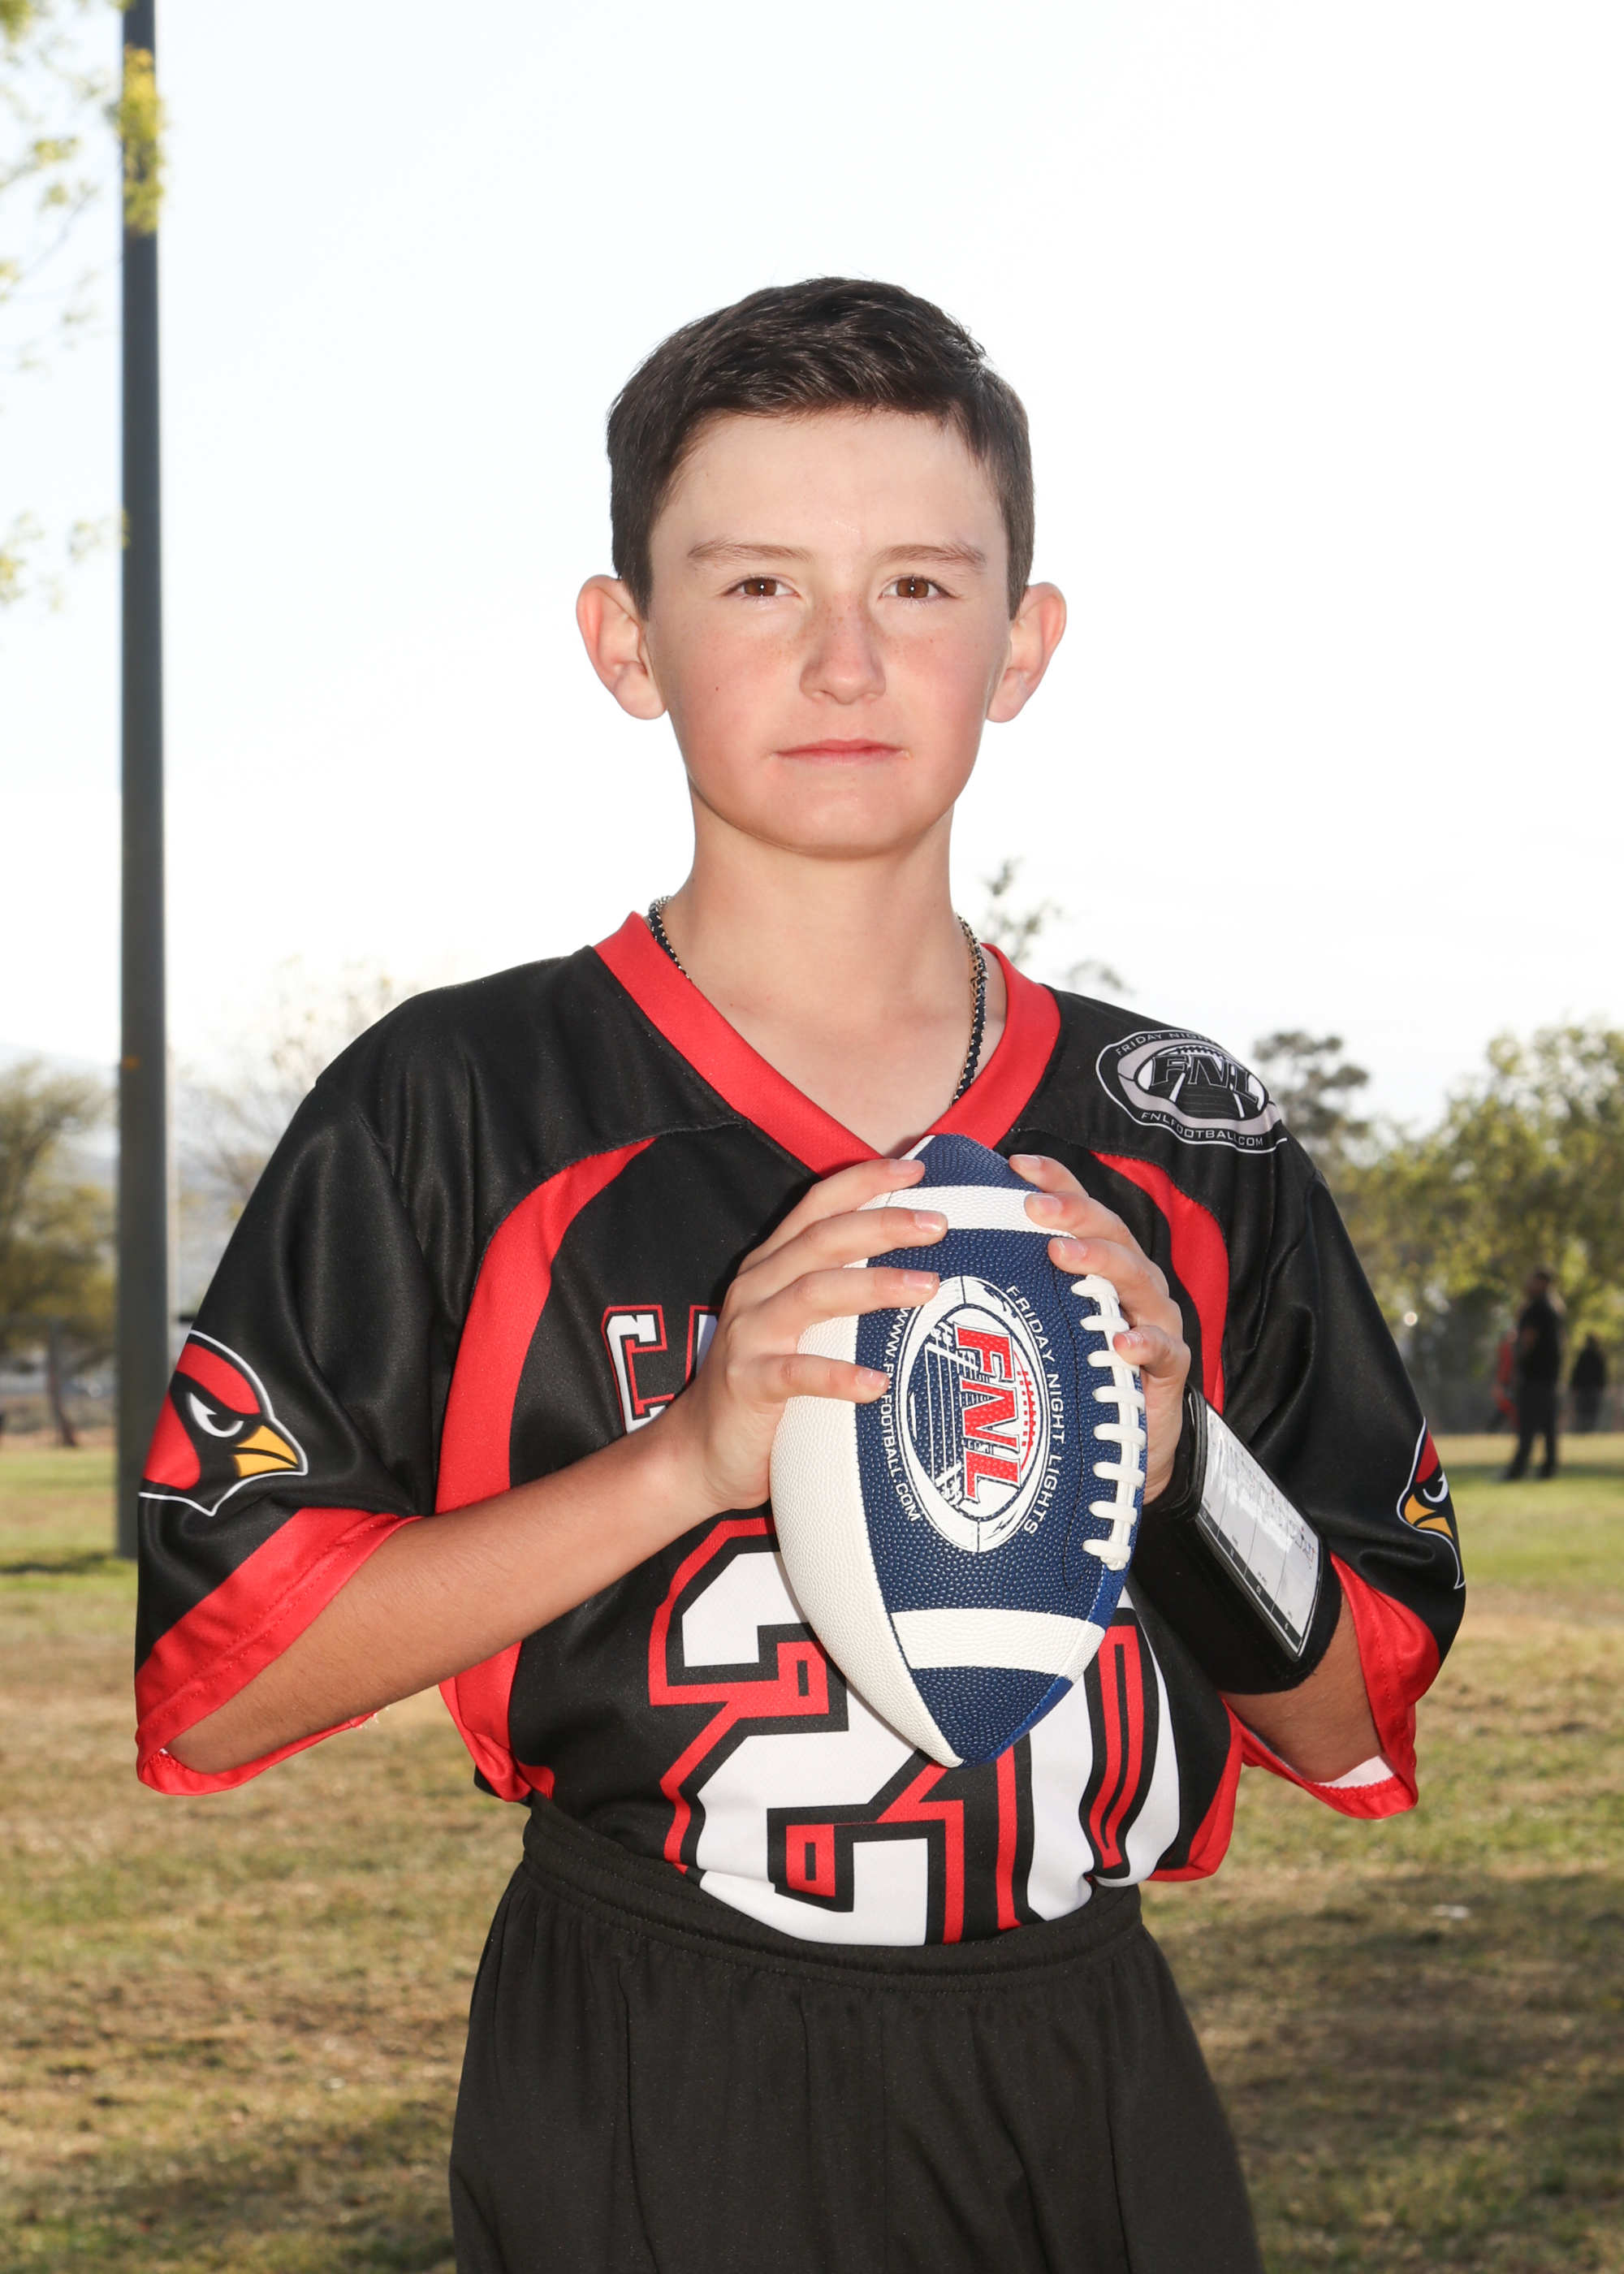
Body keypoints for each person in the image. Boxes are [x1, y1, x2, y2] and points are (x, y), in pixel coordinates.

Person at [132, 281, 1466, 2274]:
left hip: (1085, 2046)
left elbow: (1351, 1715)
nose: (845, 658)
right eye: (757, 584)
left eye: (918, 586)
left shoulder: (1183, 1129)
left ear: (1023, 642)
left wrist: (1183, 1455)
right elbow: (216, 1685)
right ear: (625, 641)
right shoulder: (461, 1098)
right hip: (664, 2047)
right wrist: (682, 1461)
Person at [1505, 1267, 1565, 1481]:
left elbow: (1528, 1340)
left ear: (1541, 1282)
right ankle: (1549, 1468)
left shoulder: (1537, 1308)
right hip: (1549, 1376)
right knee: (1548, 1425)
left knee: (1527, 1424)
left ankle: (1518, 1469)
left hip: (1534, 1376)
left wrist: (1517, 1367)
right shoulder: (1554, 1307)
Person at [1571, 1333, 1608, 1434]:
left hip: (1584, 1388)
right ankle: (1588, 1431)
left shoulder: (1583, 1356)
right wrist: (1601, 1386)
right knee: (1591, 1412)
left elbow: (1577, 1372)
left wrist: (1574, 1386)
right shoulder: (1598, 1356)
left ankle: (1583, 1430)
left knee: (1583, 1411)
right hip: (1593, 1389)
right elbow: (1602, 1374)